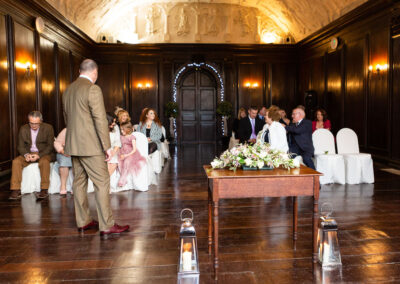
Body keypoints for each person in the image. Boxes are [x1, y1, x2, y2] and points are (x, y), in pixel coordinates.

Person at [63, 59, 129, 236]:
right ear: (95, 72)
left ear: (79, 71)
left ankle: (83, 221)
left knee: (79, 182)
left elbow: (67, 118)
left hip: (74, 144)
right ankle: (107, 224)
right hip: (91, 146)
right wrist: (107, 147)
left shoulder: (68, 89)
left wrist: (72, 141)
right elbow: (100, 119)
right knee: (102, 182)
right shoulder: (93, 88)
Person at [9, 111, 55, 200]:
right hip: (29, 153)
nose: (33, 126)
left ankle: (44, 189)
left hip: (44, 153)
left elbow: (50, 146)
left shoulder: (48, 128)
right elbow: (20, 146)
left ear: (41, 121)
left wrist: (39, 155)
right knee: (16, 162)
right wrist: (26, 154)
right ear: (28, 121)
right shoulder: (23, 128)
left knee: (44, 162)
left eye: (36, 124)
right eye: (31, 123)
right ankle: (15, 189)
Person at [118, 122, 146, 187]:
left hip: (131, 153)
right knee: (119, 162)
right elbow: (119, 145)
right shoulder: (121, 137)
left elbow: (134, 149)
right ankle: (124, 178)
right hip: (122, 152)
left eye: (123, 129)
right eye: (121, 130)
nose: (121, 131)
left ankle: (122, 180)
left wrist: (126, 155)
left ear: (128, 129)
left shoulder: (132, 137)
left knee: (126, 162)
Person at [54, 128, 72, 196]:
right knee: (64, 162)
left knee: (78, 162)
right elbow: (57, 143)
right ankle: (63, 185)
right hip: (64, 152)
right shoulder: (66, 130)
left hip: (78, 153)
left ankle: (75, 186)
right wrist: (62, 151)